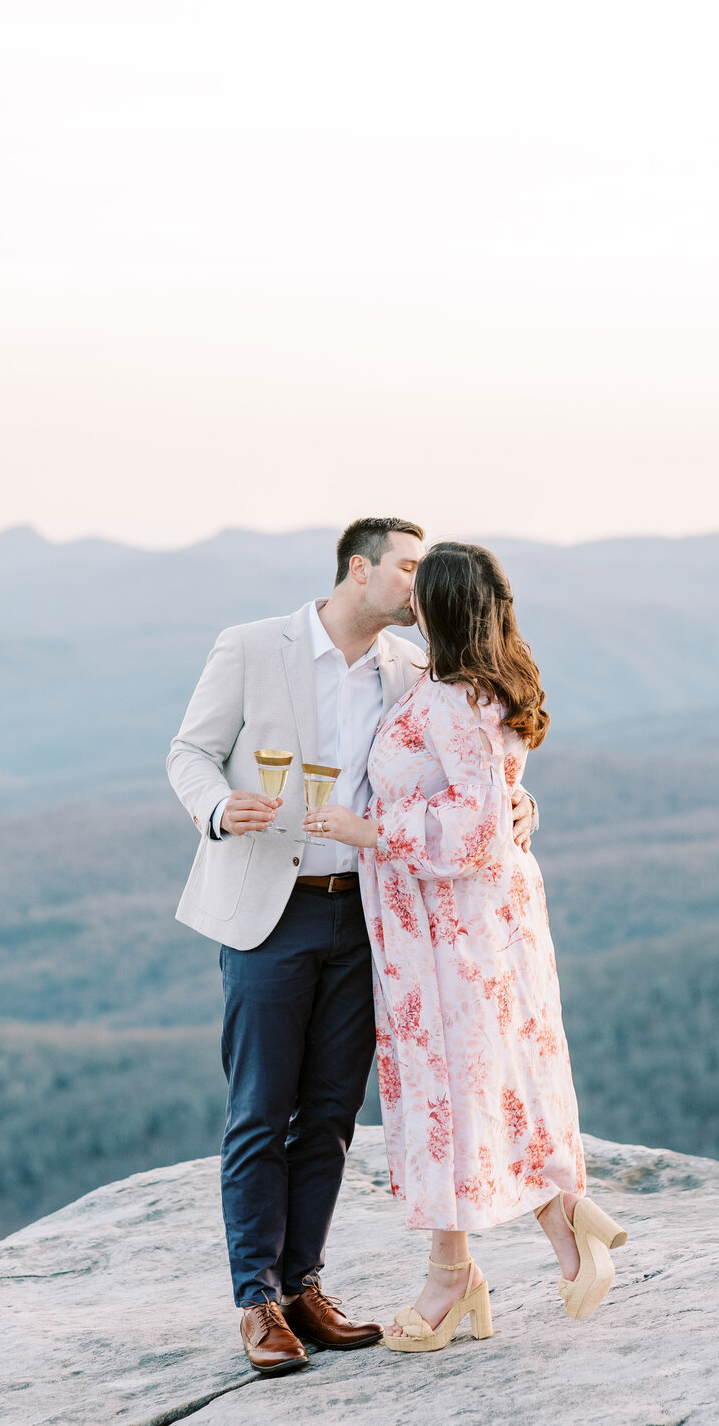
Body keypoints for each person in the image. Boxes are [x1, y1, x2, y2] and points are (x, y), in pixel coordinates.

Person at [167, 519, 540, 1375]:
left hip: (371, 917)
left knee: (332, 1115)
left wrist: (521, 809)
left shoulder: (417, 667)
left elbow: (473, 769)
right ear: (357, 568)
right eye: (408, 567)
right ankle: (256, 1303)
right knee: (261, 1110)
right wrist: (220, 807)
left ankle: (303, 1284)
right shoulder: (253, 646)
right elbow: (189, 752)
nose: (420, 584)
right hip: (270, 908)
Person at [304, 541, 627, 1353]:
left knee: (452, 1090)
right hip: (464, 923)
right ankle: (546, 1236)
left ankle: (463, 1274)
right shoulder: (471, 689)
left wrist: (367, 829)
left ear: (441, 609)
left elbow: (478, 829)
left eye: (422, 586)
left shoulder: (450, 699)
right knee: (478, 1085)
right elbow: (495, 801)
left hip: (452, 933)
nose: (407, 596)